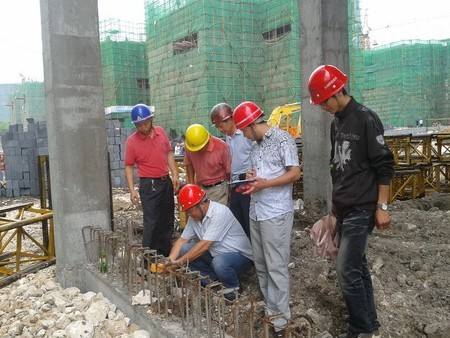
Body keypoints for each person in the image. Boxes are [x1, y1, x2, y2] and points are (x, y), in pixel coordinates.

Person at [308, 64, 394, 338]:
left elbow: (384, 166)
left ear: (336, 92)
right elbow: (338, 168)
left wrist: (382, 207)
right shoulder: (337, 123)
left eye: (324, 102)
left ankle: (361, 329)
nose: (323, 107)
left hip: (362, 207)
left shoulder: (366, 119)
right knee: (359, 267)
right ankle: (370, 323)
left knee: (346, 270)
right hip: (344, 208)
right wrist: (334, 211)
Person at [232, 101, 301, 337]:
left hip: (276, 212)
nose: (244, 135)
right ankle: (271, 312)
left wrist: (265, 184)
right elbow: (261, 173)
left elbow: (294, 173)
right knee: (261, 265)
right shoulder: (256, 147)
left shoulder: (283, 140)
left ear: (251, 125)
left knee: (276, 267)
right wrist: (253, 177)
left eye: (244, 130)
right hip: (257, 210)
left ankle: (281, 323)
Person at [168, 184, 253, 301]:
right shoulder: (195, 217)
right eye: (187, 212)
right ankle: (214, 281)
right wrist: (170, 260)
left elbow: (204, 245)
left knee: (219, 263)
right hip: (216, 254)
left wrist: (180, 262)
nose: (189, 215)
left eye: (190, 211)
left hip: (239, 256)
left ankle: (233, 289)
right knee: (184, 249)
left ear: (201, 204)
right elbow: (182, 240)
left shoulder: (219, 212)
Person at [124, 104, 179, 257]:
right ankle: (148, 259)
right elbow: (128, 166)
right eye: (139, 124)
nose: (143, 126)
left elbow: (168, 154)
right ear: (135, 125)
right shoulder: (132, 142)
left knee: (167, 219)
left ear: (151, 119)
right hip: (149, 184)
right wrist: (132, 190)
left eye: (146, 122)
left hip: (165, 181)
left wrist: (174, 174)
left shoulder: (161, 132)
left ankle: (165, 253)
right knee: (151, 222)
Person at [210, 103, 253, 238]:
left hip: (247, 183)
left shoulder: (246, 134)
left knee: (248, 221)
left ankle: (254, 254)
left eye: (221, 126)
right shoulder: (228, 137)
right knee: (237, 221)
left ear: (230, 120)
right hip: (233, 184)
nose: (220, 129)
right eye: (217, 127)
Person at [183, 123, 231, 205]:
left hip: (219, 189)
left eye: (200, 147)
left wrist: (229, 191)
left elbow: (229, 172)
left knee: (217, 216)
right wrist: (191, 185)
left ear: (207, 139)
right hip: (200, 188)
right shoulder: (191, 146)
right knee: (202, 216)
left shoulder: (221, 147)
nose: (198, 150)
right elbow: (189, 165)